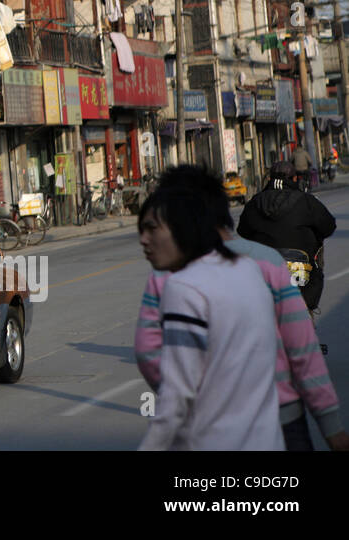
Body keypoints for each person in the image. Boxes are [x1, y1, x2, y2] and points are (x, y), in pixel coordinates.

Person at [136, 165, 347, 451]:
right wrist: (331, 427)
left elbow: (152, 356)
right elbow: (302, 348)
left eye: (158, 225)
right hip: (280, 415)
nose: (146, 239)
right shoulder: (263, 264)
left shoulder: (170, 276)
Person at [136, 177, 283, 450]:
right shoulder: (248, 269)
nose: (144, 240)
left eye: (152, 229)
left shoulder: (183, 286)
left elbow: (177, 396)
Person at [238, 161, 337, 310]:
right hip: (302, 276)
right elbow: (328, 227)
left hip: (264, 276)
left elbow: (243, 232)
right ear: (295, 179)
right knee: (318, 245)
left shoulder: (254, 202)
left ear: (269, 179)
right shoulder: (307, 201)